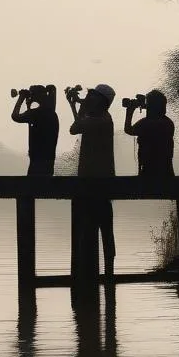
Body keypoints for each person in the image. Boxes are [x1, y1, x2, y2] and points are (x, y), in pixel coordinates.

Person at [69, 83, 117, 278]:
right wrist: (78, 105)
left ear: (102, 102)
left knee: (102, 228)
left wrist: (77, 105)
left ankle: (106, 273)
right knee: (93, 229)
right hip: (91, 180)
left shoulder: (102, 120)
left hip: (98, 181)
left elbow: (75, 128)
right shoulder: (99, 117)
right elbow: (77, 127)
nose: (89, 98)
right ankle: (100, 276)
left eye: (93, 96)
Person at [11, 84, 59, 176]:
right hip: (49, 159)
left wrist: (21, 98)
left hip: (37, 160)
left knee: (32, 187)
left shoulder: (35, 114)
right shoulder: (52, 113)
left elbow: (15, 116)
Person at [124, 90, 175, 176]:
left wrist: (130, 111)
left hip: (149, 171)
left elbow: (128, 130)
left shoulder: (147, 123)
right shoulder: (168, 122)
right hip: (166, 171)